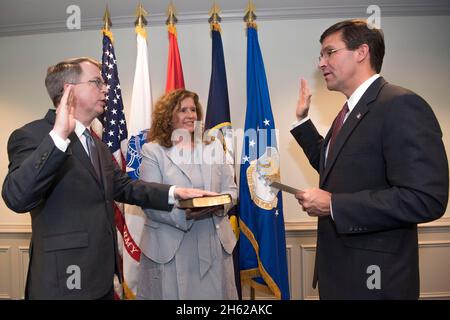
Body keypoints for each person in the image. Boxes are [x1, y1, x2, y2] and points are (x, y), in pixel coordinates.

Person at [1, 57, 214, 300]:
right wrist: (58, 136)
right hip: (62, 283)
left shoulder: (97, 144)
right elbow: (17, 197)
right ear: (68, 89)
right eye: (96, 82)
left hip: (101, 279)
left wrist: (175, 192)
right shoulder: (32, 135)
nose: (106, 89)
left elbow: (125, 187)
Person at [291, 20, 448, 299]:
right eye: (321, 56)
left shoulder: (400, 104)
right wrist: (302, 120)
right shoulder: (349, 111)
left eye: (330, 52)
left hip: (376, 281)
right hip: (340, 273)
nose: (321, 63)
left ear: (361, 52)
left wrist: (334, 204)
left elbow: (426, 199)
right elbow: (335, 169)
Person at [136, 89, 238, 300]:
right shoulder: (152, 150)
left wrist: (220, 205)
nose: (191, 114)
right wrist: (186, 214)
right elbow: (149, 201)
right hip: (172, 247)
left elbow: (231, 190)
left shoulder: (214, 146)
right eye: (183, 110)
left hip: (213, 242)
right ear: (168, 116)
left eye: (193, 109)